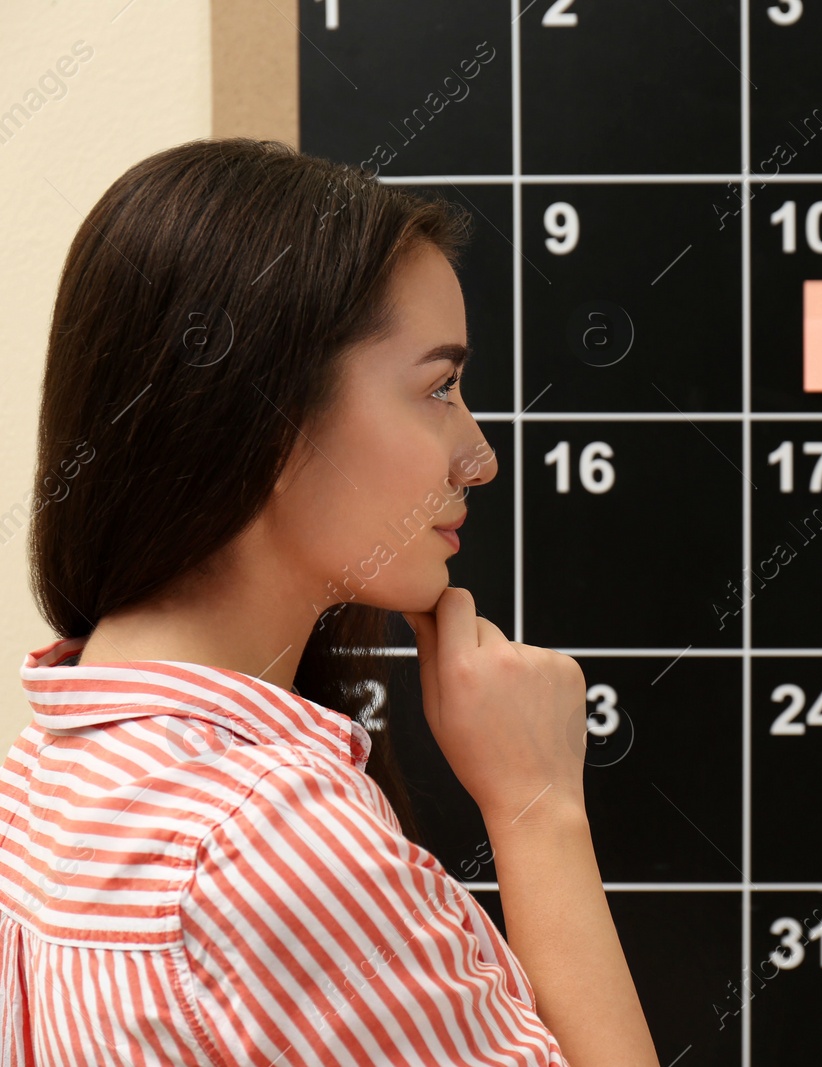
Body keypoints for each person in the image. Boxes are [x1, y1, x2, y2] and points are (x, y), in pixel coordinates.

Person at [0, 138, 659, 1065]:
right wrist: (538, 805)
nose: (480, 455)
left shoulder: (42, 777)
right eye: (439, 388)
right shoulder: (272, 844)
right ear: (266, 423)